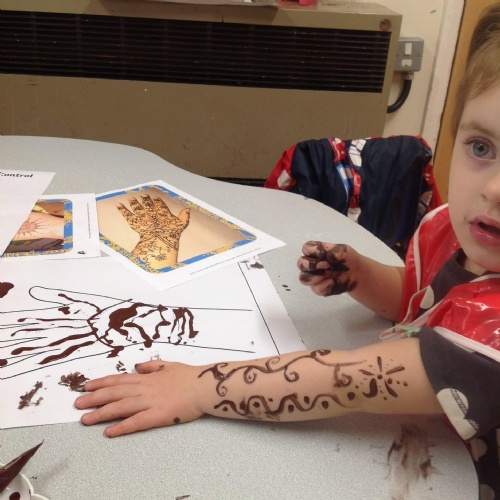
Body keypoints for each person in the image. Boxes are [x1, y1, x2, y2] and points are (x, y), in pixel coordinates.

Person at [75, 4, 500, 497]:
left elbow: (349, 381)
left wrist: (197, 388)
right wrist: (364, 275)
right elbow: (419, 300)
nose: (494, 189)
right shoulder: (454, 228)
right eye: (482, 147)